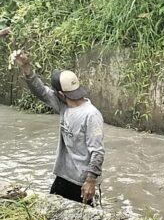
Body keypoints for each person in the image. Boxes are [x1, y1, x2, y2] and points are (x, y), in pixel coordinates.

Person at [12, 51, 105, 205]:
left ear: (61, 93)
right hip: (63, 176)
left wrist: (90, 181)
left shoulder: (91, 115)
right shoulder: (64, 105)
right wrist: (26, 67)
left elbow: (98, 151)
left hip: (82, 182)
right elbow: (41, 91)